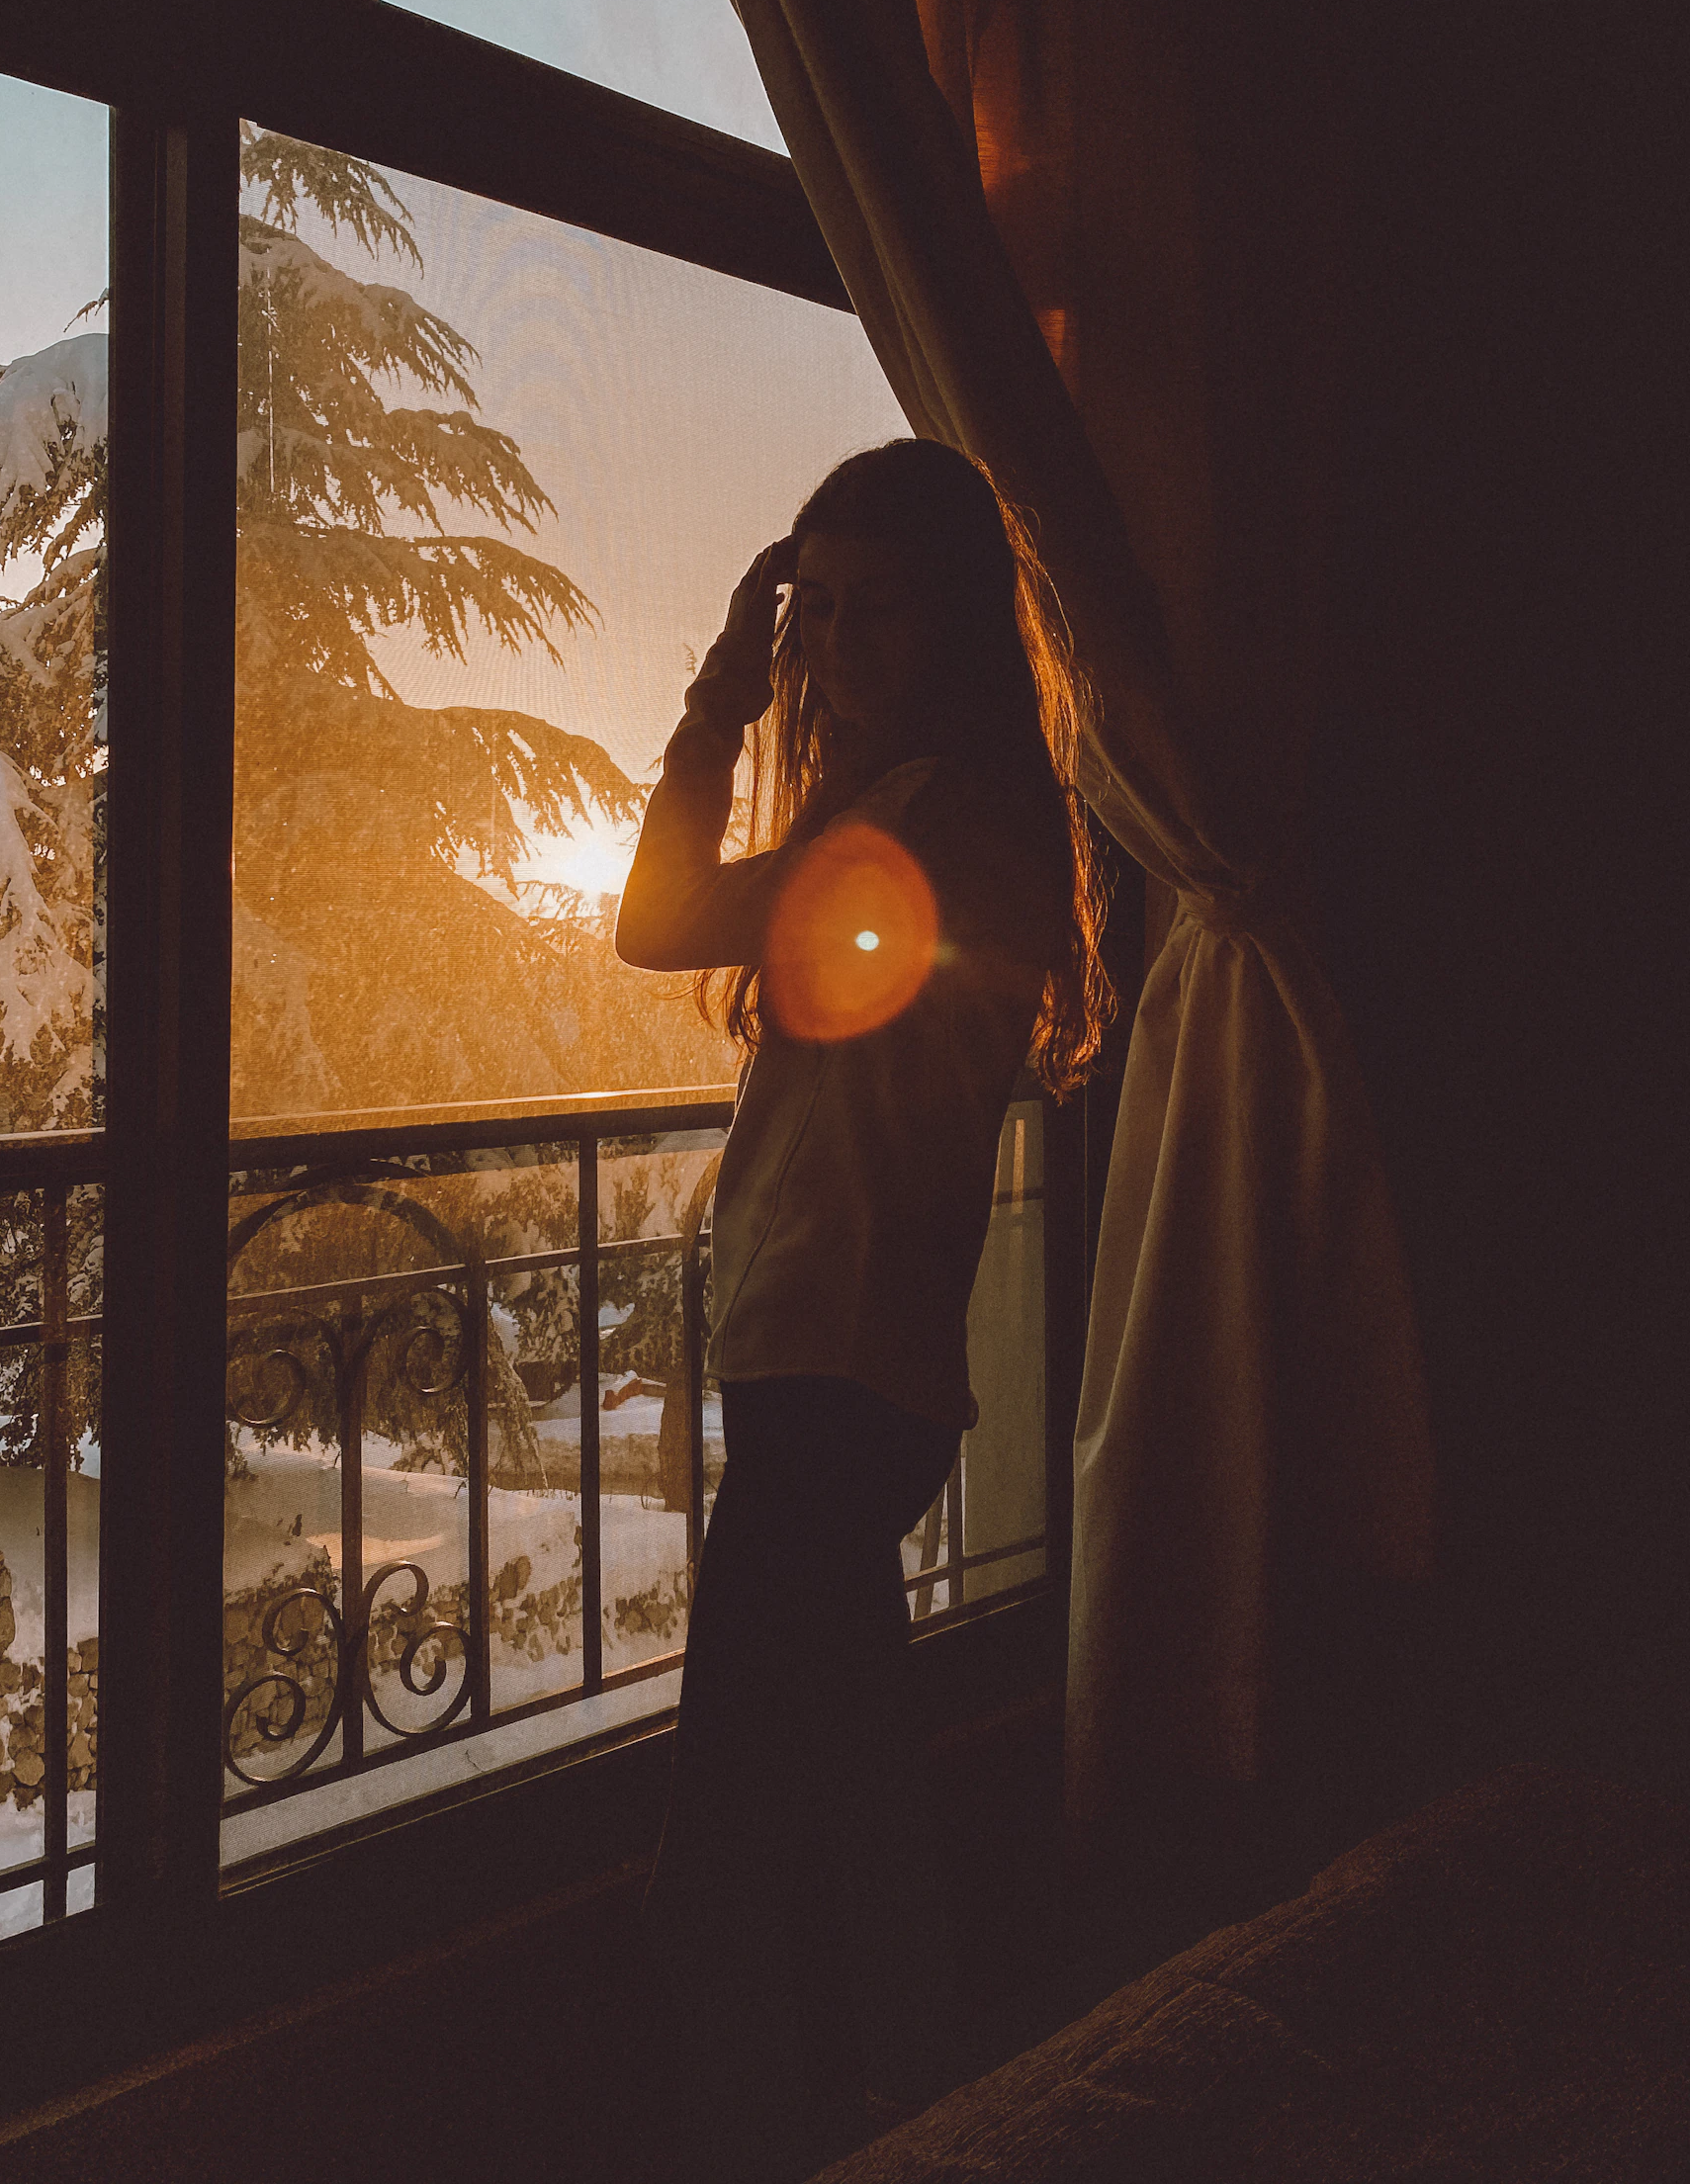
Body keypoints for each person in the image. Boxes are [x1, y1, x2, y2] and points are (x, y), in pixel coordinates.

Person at [617, 437, 1111, 2182]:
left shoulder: (931, 823)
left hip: (837, 1374)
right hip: (839, 1365)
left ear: (958, 625)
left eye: (871, 612)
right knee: (845, 1765)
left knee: (727, 1838)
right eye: (810, 611)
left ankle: (767, 2115)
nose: (830, 646)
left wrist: (716, 698)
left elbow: (655, 917)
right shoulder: (928, 809)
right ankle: (929, 2083)